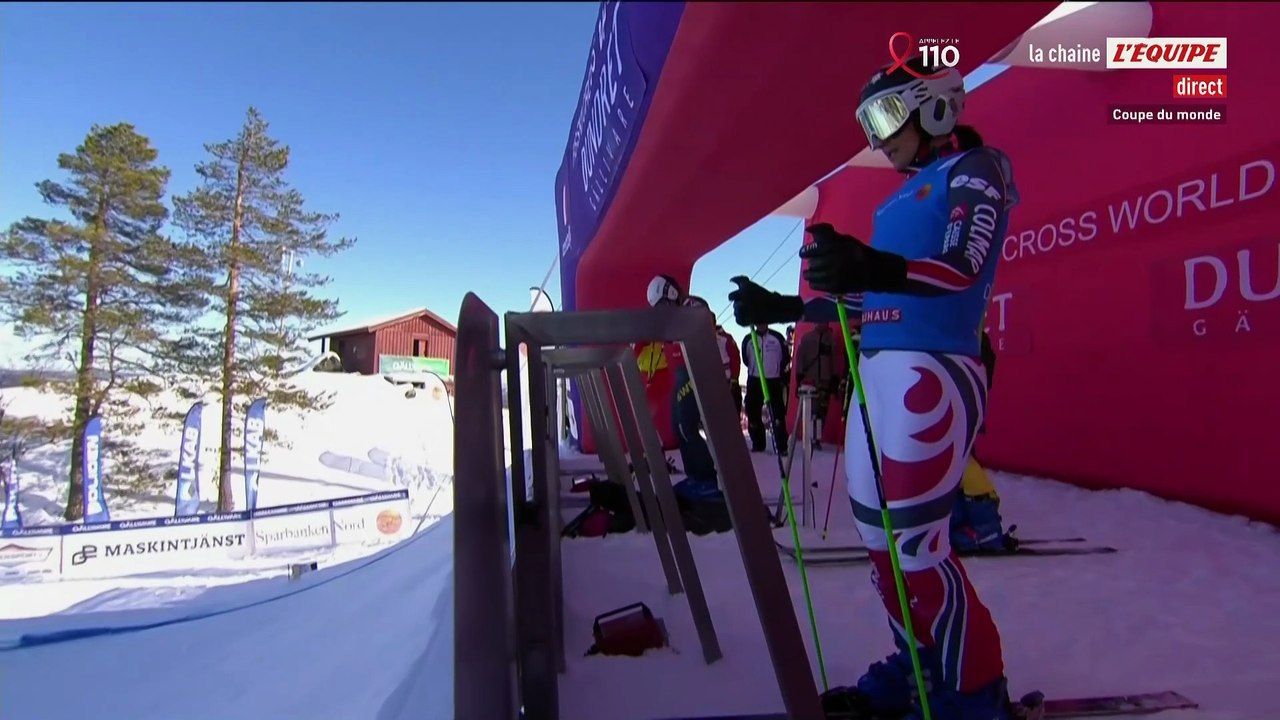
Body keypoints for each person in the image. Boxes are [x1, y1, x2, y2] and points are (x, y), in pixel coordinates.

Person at [728, 54, 1019, 720]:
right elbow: (876, 299)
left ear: (934, 105)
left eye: (888, 115)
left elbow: (962, 268)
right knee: (881, 544)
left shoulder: (975, 169)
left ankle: (974, 692)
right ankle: (920, 668)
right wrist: (787, 306)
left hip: (933, 371)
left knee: (917, 548)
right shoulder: (897, 200)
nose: (879, 137)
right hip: (880, 372)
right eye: (869, 123)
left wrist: (871, 265)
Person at [740, 323, 790, 455]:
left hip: (773, 380)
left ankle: (781, 446)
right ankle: (758, 443)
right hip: (755, 380)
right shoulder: (748, 339)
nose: (761, 324)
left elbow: (785, 357)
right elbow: (746, 359)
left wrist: (776, 370)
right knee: (752, 412)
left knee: (777, 414)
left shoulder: (777, 337)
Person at [794, 321, 844, 451]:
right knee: (811, 410)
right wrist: (799, 377)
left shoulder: (831, 340)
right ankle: (810, 436)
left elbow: (834, 361)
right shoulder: (807, 338)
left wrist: (834, 380)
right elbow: (800, 358)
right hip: (810, 379)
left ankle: (816, 437)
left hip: (825, 380)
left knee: (822, 411)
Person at [716, 322, 743, 418]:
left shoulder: (725, 338)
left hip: (727, 380)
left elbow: (735, 358)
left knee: (732, 412)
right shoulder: (702, 338)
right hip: (712, 383)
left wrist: (734, 378)